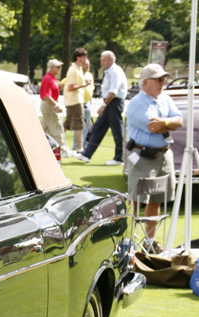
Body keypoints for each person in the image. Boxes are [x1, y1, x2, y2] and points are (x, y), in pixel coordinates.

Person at [126, 63, 183, 250]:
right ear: (145, 82)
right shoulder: (136, 103)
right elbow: (154, 126)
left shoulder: (165, 98)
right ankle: (130, 242)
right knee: (137, 199)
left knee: (157, 198)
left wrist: (166, 122)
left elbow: (179, 121)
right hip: (143, 156)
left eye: (163, 79)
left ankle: (150, 242)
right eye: (158, 79)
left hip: (163, 155)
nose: (163, 82)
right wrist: (170, 123)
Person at [74, 51, 127, 165]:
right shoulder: (109, 71)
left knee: (117, 131)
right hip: (109, 103)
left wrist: (103, 106)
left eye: (104, 60)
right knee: (98, 128)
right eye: (101, 60)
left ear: (111, 60)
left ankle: (119, 158)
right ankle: (87, 154)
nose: (101, 63)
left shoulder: (115, 71)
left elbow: (113, 91)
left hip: (113, 103)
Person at [63, 48, 92, 153]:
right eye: (84, 57)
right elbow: (70, 87)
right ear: (78, 58)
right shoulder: (73, 69)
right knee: (79, 124)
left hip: (75, 100)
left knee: (67, 124)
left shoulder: (78, 69)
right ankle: (79, 148)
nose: (86, 59)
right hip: (74, 101)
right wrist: (84, 85)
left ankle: (59, 143)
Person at [40, 59, 66, 155]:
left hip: (49, 104)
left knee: (44, 128)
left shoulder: (52, 78)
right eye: (57, 67)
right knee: (56, 126)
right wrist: (56, 105)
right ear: (51, 68)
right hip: (49, 104)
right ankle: (62, 150)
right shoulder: (48, 78)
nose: (59, 69)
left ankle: (38, 145)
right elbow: (47, 96)